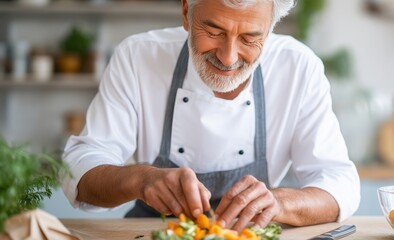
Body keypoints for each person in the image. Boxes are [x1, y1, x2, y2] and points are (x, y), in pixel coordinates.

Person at [61, 0, 360, 232]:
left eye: (250, 38)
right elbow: (80, 169)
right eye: (214, 31)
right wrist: (140, 179)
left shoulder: (298, 68)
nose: (228, 57)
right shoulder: (138, 57)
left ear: (270, 29)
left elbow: (340, 182)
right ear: (185, 13)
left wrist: (279, 202)